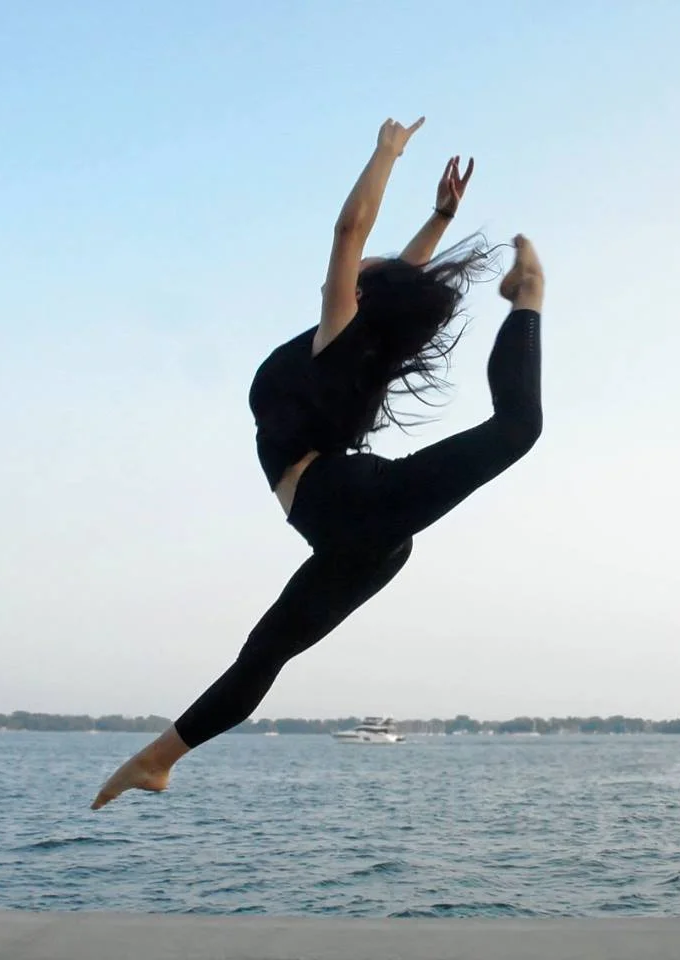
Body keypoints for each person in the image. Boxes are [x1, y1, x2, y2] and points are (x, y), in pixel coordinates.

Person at [92, 116, 544, 810]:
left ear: (362, 291)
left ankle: (528, 294)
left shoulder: (342, 331)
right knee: (265, 652)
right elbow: (395, 273)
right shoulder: (355, 346)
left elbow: (349, 232)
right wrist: (439, 218)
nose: (366, 264)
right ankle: (158, 760)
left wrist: (386, 151)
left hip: (350, 506)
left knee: (517, 429)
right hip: (356, 534)